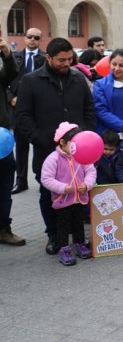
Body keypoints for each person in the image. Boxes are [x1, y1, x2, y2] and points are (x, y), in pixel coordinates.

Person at [15, 37, 96, 255]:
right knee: (47, 193)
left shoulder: (78, 79)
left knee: (78, 194)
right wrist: (39, 138)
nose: (66, 64)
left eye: (70, 59)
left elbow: (89, 109)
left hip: (77, 151)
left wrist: (84, 135)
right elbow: (22, 116)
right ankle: (53, 235)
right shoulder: (31, 81)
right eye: (61, 60)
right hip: (46, 151)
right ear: (49, 58)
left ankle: (75, 235)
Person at [40, 122, 96, 266]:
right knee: (63, 226)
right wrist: (62, 187)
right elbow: (46, 179)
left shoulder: (81, 154)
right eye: (73, 143)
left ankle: (80, 244)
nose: (76, 146)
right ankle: (64, 249)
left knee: (79, 223)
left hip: (80, 199)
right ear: (62, 142)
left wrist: (87, 184)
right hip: (62, 200)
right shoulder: (53, 159)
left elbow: (91, 171)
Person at [9, 26, 45, 194]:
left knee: (40, 146)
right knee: (21, 147)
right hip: (19, 110)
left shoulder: (45, 59)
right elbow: (5, 81)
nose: (32, 40)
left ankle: (42, 179)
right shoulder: (15, 57)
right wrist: (11, 97)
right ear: (25, 38)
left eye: (36, 38)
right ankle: (21, 181)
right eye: (30, 36)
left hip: (38, 110)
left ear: (40, 40)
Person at [0, 31, 24, 246]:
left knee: (5, 185)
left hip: (2, 141)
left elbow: (10, 74)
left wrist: (6, 53)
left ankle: (3, 228)